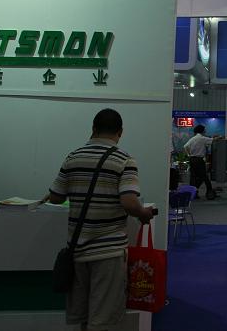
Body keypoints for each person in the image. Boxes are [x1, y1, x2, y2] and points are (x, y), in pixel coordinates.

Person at [47, 108, 154, 331]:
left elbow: (56, 197)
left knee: (84, 317)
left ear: (93, 129)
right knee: (102, 318)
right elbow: (129, 202)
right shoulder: (124, 159)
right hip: (108, 252)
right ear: (120, 132)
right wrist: (143, 214)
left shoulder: (73, 157)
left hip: (77, 251)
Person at [183, 124, 223, 199]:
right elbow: (213, 140)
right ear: (201, 131)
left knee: (194, 177)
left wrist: (189, 154)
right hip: (199, 160)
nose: (205, 131)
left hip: (192, 159)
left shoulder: (193, 138)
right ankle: (208, 192)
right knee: (204, 176)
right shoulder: (202, 138)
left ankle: (193, 192)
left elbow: (185, 146)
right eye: (204, 130)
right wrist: (220, 137)